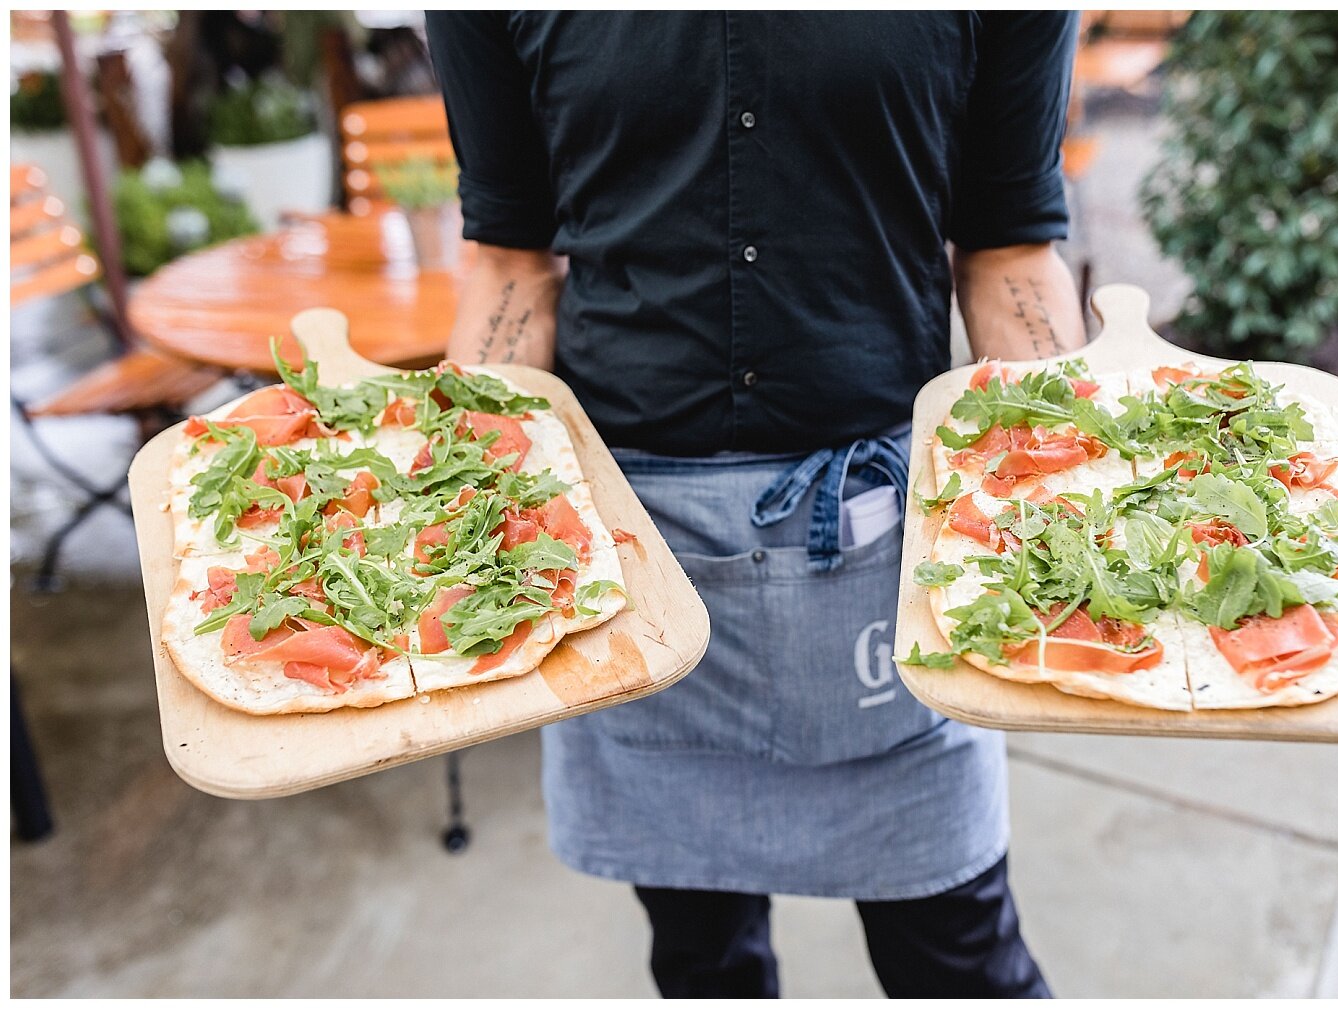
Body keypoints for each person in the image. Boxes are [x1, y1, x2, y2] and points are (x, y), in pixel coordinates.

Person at [427, 12, 1083, 998]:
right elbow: (511, 262)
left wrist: (1083, 498)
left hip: (885, 552)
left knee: (959, 951)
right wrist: (449, 520)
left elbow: (1007, 250)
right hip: (634, 566)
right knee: (702, 958)